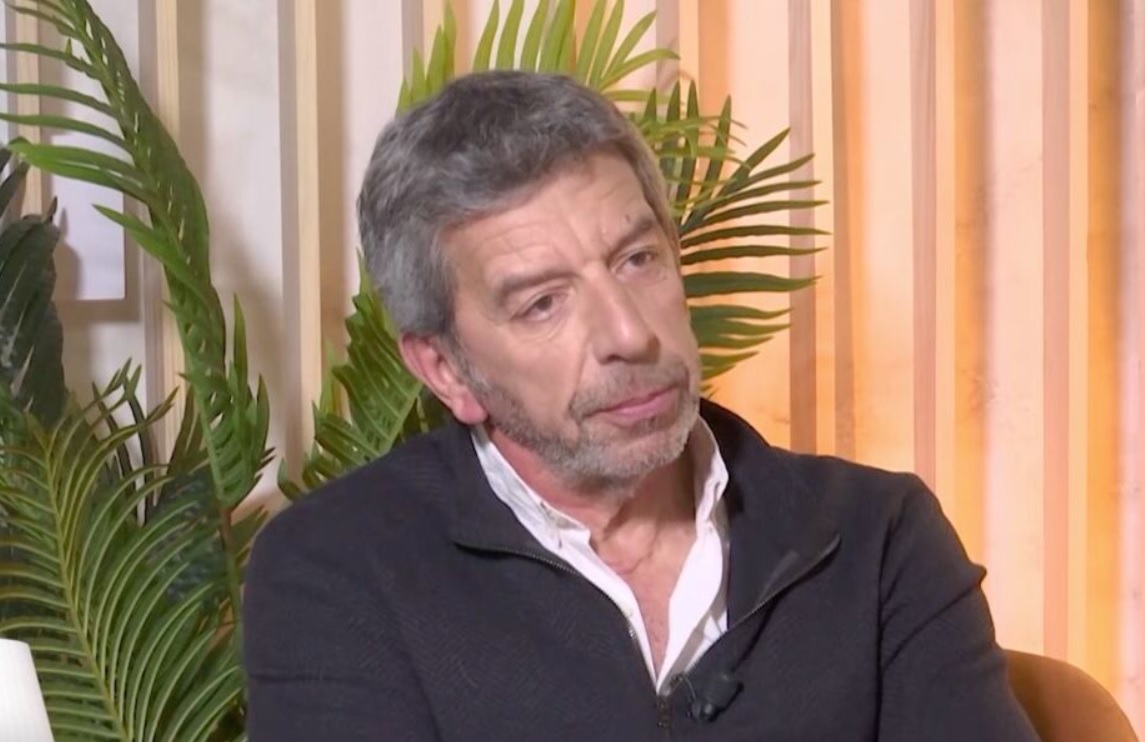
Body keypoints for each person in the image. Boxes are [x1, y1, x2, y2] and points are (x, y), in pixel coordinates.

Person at [242, 71, 1039, 742]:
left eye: (636, 260)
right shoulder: (336, 569)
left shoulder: (875, 537)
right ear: (445, 369)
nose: (628, 334)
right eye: (543, 303)